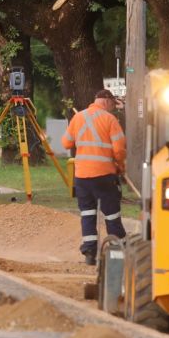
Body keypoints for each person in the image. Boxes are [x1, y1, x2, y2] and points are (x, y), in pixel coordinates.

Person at [62, 89, 127, 266]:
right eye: (113, 104)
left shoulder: (78, 117)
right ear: (106, 101)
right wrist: (120, 165)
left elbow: (66, 142)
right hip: (104, 174)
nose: (113, 108)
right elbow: (119, 148)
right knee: (112, 213)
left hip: (82, 176)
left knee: (88, 214)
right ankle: (117, 248)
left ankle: (90, 252)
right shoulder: (110, 119)